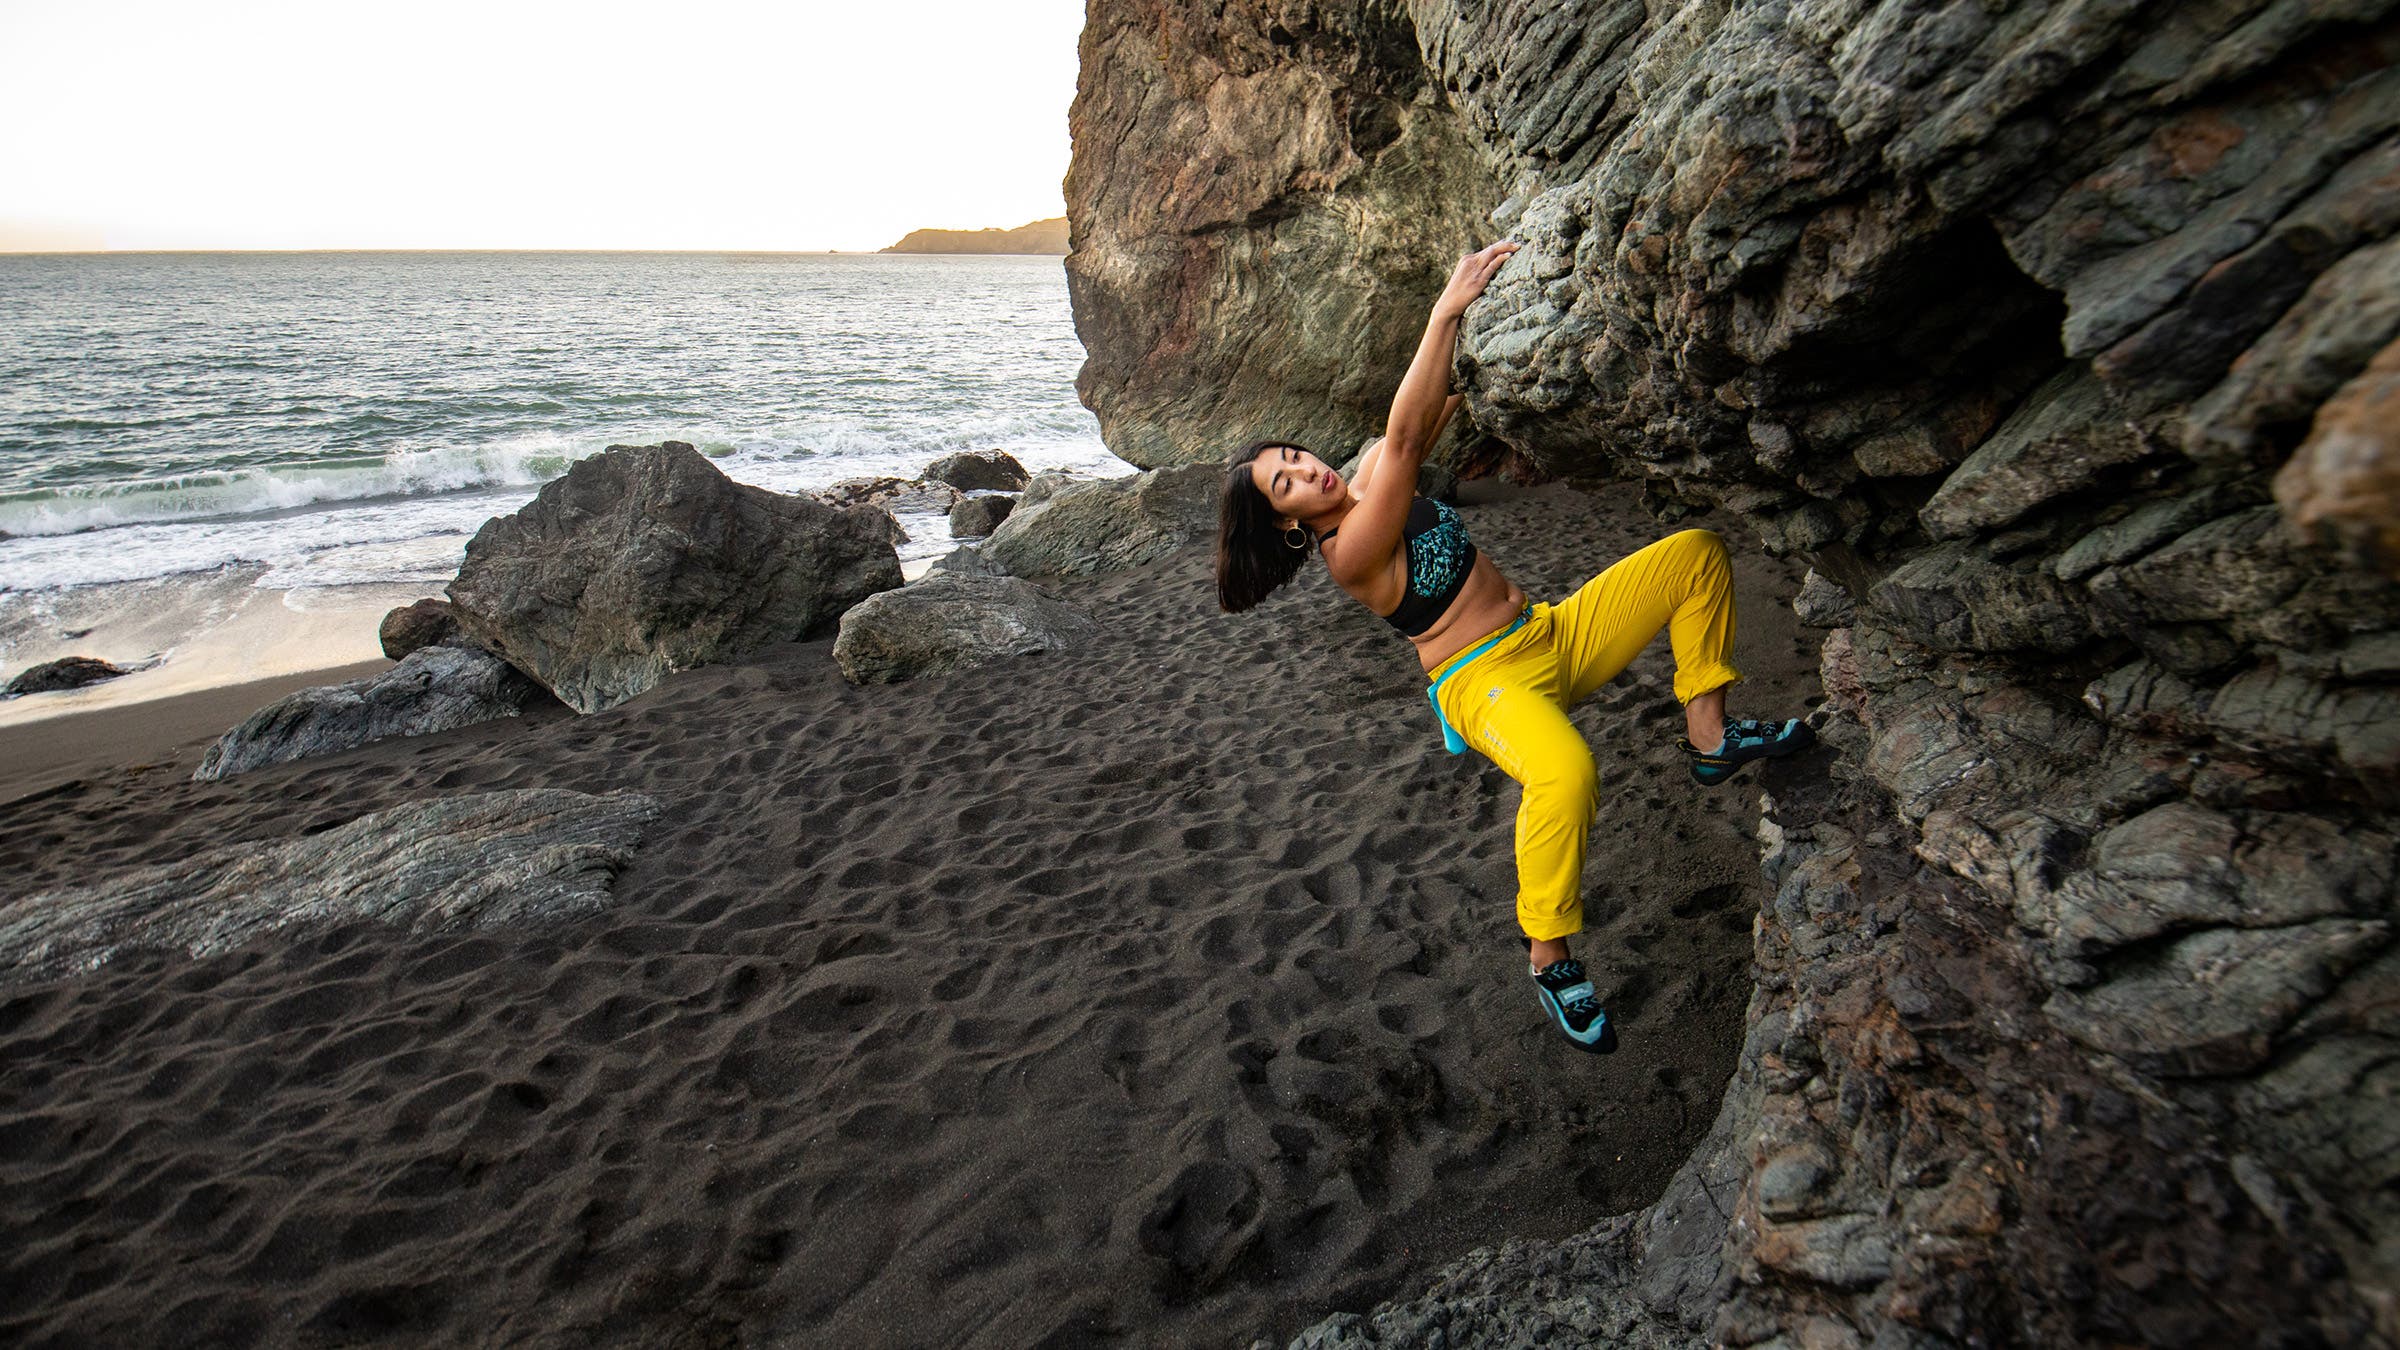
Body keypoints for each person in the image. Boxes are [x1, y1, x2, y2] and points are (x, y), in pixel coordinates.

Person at [1213, 241, 1812, 1054]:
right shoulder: (1348, 550)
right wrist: (1443, 310)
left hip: (1552, 633)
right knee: (1566, 774)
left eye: (1292, 457)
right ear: (1286, 524)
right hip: (1485, 681)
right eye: (1285, 485)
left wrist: (1505, 350)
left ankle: (1709, 734)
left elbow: (1428, 416)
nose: (1304, 472)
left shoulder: (1364, 478)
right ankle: (1549, 954)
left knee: (1697, 553)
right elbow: (1403, 439)